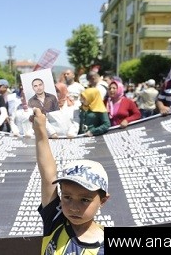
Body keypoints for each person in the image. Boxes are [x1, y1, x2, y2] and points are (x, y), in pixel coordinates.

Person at [32, 107, 110, 254]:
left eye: (85, 200)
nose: (73, 207)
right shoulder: (55, 220)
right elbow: (48, 176)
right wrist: (40, 129)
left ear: (103, 200)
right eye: (67, 197)